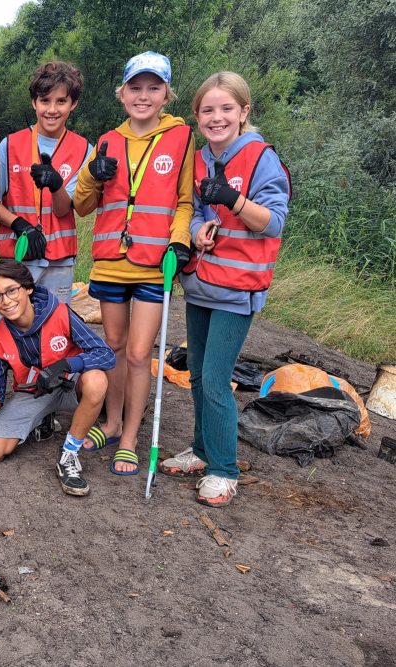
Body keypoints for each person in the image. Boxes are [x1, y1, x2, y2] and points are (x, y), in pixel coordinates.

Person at [159, 71, 290, 507]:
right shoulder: (198, 159)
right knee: (196, 374)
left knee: (216, 379)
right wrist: (197, 230)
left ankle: (224, 470)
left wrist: (233, 201)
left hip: (238, 289)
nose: (217, 118)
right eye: (208, 110)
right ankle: (201, 451)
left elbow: (273, 222)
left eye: (226, 109)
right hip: (200, 284)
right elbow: (194, 210)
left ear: (243, 112)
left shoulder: (259, 157)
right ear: (197, 116)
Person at [73, 51, 195, 475]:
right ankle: (110, 422)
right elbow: (82, 205)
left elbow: (184, 201)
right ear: (122, 93)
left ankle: (129, 437)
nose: (143, 96)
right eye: (135, 87)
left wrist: (179, 243)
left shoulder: (181, 138)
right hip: (110, 263)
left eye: (153, 88)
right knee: (115, 349)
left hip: (152, 264)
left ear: (166, 94)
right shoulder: (108, 139)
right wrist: (92, 172)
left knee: (141, 353)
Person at [0, 60, 93, 439]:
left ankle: (46, 402)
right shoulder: (11, 144)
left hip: (59, 259)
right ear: (33, 102)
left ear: (73, 105)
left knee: (54, 332)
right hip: (16, 258)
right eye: (44, 100)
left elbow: (71, 209)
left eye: (61, 101)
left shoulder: (84, 148)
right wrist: (18, 223)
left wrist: (55, 186)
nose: (52, 109)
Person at [0, 261, 115, 496]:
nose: (6, 301)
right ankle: (43, 418)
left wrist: (67, 364)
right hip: (34, 392)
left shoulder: (59, 313)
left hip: (72, 385)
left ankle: (69, 453)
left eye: (11, 290)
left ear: (28, 288)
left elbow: (106, 355)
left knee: (97, 381)